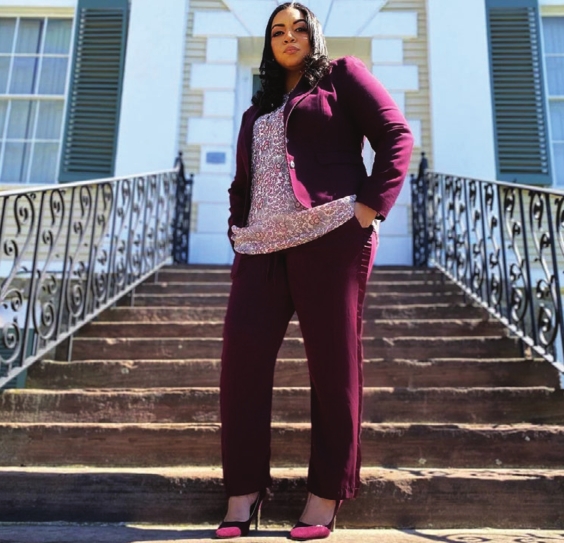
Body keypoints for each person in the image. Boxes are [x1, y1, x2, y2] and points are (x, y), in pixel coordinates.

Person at [216, 2, 414, 540]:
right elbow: (242, 183)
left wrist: (368, 210)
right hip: (260, 248)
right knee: (240, 366)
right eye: (278, 30)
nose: (289, 36)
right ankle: (244, 492)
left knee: (332, 367)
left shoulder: (342, 77)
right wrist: (237, 227)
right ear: (268, 44)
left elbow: (397, 136)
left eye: (300, 28)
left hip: (330, 236)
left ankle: (324, 495)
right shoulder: (255, 111)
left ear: (314, 36)